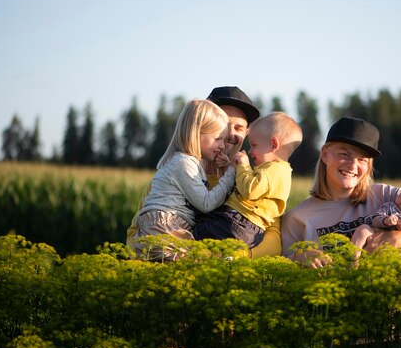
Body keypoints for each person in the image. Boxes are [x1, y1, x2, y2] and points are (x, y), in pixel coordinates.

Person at [127, 86, 282, 259]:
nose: (230, 134)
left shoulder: (255, 183)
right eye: (223, 126)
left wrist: (241, 257)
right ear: (201, 126)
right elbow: (135, 231)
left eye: (238, 128)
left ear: (246, 133)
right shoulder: (171, 175)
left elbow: (274, 239)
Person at [280, 116, 401, 268]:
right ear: (325, 154)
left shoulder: (385, 196)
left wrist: (395, 238)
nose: (353, 165)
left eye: (362, 159)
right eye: (344, 154)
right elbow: (277, 270)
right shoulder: (297, 218)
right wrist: (298, 258)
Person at [131, 99, 235, 261]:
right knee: (196, 265)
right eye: (217, 139)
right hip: (162, 225)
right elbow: (206, 204)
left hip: (171, 225)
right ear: (196, 133)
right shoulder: (183, 163)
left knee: (197, 265)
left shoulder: (190, 163)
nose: (222, 146)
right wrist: (231, 174)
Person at [193, 112, 302, 248]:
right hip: (241, 224)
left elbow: (250, 190)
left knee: (197, 234)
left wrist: (244, 165)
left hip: (240, 222)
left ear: (274, 144)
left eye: (254, 145)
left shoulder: (275, 170)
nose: (250, 151)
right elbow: (245, 182)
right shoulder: (272, 170)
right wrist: (231, 166)